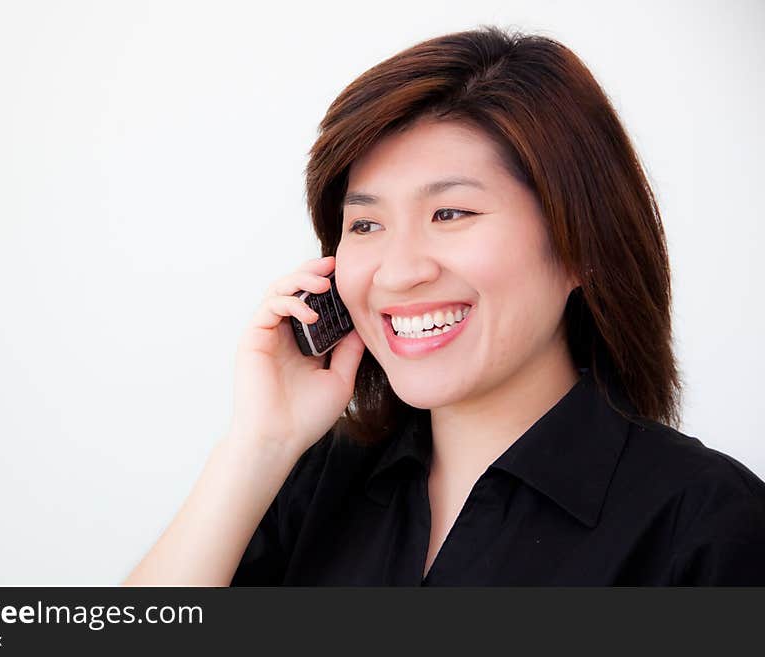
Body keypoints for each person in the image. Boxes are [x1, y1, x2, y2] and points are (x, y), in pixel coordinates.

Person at [123, 25, 765, 586]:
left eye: (450, 213)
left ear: (579, 245)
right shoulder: (312, 486)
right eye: (366, 225)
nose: (399, 273)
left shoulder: (707, 525)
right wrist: (259, 444)